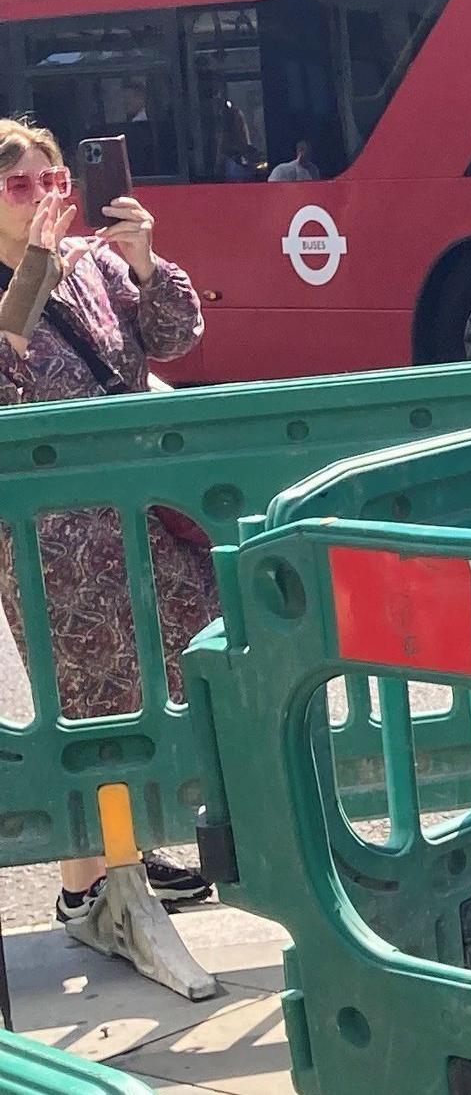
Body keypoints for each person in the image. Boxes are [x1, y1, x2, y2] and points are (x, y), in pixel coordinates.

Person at [0, 120, 216, 922]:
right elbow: (7, 357)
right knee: (87, 699)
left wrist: (146, 261)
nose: (43, 199)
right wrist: (36, 267)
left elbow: (177, 337)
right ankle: (92, 880)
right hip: (52, 533)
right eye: (21, 186)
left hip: (139, 510)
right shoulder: (34, 269)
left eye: (53, 182)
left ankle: (116, 863)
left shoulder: (92, 265)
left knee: (177, 668)